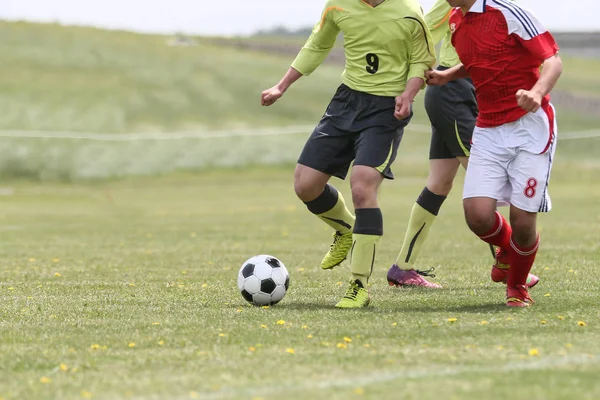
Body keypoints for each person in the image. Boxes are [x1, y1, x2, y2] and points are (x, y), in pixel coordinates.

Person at [261, 0, 435, 308]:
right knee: (305, 185)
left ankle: (358, 285)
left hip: (386, 109)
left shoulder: (409, 10)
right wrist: (281, 86)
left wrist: (408, 94)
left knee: (362, 185)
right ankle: (345, 229)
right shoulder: (338, 5)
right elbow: (317, 45)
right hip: (346, 101)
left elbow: (422, 60)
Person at [386, 0, 539, 289]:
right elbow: (419, 33)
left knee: (439, 183)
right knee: (487, 181)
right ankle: (508, 261)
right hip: (452, 91)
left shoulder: (498, 8)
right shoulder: (455, 3)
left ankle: (402, 268)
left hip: (467, 91)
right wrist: (411, 84)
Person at [426, 0, 562, 306]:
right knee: (477, 216)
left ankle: (517, 286)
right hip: (488, 127)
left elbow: (553, 61)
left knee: (523, 221)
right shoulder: (455, 22)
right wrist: (448, 75)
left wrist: (536, 93)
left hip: (530, 127)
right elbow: (481, 61)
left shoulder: (508, 12)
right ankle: (508, 248)